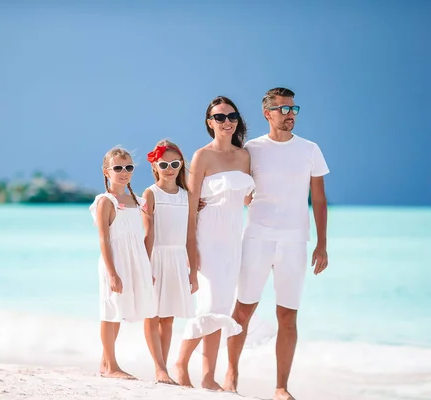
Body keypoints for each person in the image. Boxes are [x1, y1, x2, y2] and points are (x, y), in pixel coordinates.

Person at [227, 87, 330, 400]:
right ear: (267, 113)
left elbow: (319, 198)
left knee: (288, 315)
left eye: (293, 109)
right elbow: (240, 192)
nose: (290, 115)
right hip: (257, 235)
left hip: (295, 241)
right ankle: (231, 374)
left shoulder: (310, 149)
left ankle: (281, 387)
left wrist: (322, 244)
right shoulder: (251, 149)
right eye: (283, 109)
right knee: (243, 310)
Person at [174, 96, 254, 391]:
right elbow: (192, 206)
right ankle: (181, 363)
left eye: (231, 116)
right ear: (210, 123)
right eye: (219, 117)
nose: (227, 122)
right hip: (207, 237)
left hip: (234, 237)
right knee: (210, 304)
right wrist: (190, 250)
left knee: (222, 306)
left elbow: (245, 198)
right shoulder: (201, 156)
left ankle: (208, 376)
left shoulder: (244, 156)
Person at [89, 146, 156, 380]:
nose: (124, 172)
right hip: (114, 263)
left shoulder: (135, 200)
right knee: (110, 311)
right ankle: (111, 366)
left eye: (129, 167)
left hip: (133, 261)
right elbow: (104, 239)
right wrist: (112, 273)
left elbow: (151, 224)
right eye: (118, 168)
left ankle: (104, 363)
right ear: (107, 172)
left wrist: (146, 269)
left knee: (120, 311)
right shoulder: (106, 201)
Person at [141, 140, 198, 385]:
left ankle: (163, 368)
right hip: (155, 257)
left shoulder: (188, 196)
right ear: (155, 166)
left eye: (175, 163)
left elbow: (190, 236)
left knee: (169, 317)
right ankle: (159, 369)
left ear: (181, 164)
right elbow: (147, 232)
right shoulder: (150, 193)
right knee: (152, 315)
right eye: (164, 164)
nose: (170, 168)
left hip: (177, 259)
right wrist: (145, 266)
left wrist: (193, 272)